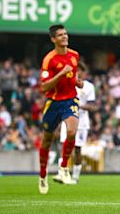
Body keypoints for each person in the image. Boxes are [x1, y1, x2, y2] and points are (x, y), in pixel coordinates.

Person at [38, 24, 83, 194]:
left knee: (72, 131)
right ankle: (43, 176)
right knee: (47, 140)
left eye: (65, 34)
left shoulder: (74, 55)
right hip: (53, 102)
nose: (64, 37)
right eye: (60, 35)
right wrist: (61, 74)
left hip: (70, 100)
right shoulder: (49, 59)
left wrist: (78, 81)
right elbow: (44, 87)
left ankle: (63, 168)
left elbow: (73, 75)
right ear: (53, 39)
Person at [57, 61, 96, 183]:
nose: (78, 73)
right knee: (64, 147)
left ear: (84, 72)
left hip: (82, 122)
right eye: (76, 70)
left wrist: (78, 105)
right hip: (68, 119)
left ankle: (76, 176)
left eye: (80, 70)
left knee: (77, 148)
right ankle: (62, 173)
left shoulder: (89, 86)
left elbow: (92, 106)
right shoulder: (68, 84)